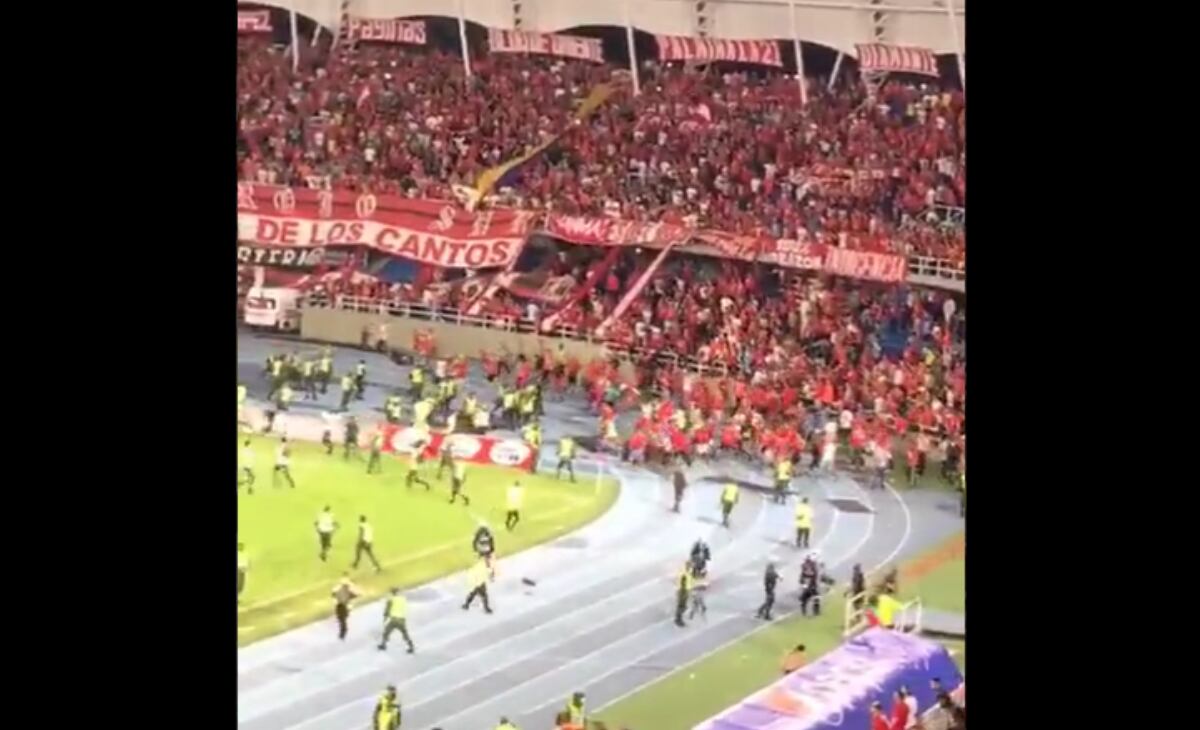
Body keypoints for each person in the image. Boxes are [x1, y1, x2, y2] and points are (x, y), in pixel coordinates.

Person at [377, 587, 416, 653]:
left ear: (392, 593)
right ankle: (411, 646)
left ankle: (383, 645)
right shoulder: (403, 599)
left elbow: (387, 610)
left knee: (386, 632)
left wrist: (385, 618)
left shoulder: (391, 600)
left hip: (394, 620)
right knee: (405, 634)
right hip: (402, 619)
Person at [331, 572, 360, 640]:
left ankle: (343, 632)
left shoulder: (348, 587)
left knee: (342, 619)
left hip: (344, 605)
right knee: (341, 616)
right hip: (340, 605)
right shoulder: (341, 587)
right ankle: (342, 621)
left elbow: (354, 594)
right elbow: (334, 594)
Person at [674, 560, 694, 627]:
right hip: (683, 591)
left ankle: (678, 618)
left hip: (685, 590)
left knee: (683, 606)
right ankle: (678, 619)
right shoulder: (685, 574)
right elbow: (682, 584)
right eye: (690, 566)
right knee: (681, 606)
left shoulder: (688, 573)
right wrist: (684, 592)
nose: (692, 567)